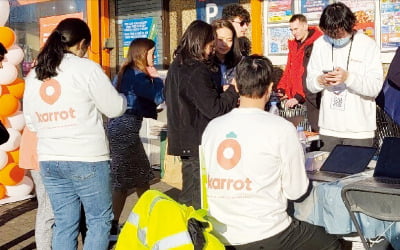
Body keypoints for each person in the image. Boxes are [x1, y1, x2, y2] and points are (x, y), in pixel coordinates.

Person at [201, 55, 343, 250]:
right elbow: (296, 191)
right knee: (332, 243)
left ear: (236, 84)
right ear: (270, 89)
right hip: (266, 232)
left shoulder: (213, 127)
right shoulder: (281, 128)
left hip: (219, 233)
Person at [23, 18, 126, 250]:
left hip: (50, 159)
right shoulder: (86, 68)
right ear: (81, 44)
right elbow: (113, 107)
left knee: (64, 223)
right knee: (98, 221)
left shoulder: (36, 73)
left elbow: (31, 122)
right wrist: (124, 100)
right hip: (86, 157)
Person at [165, 20, 239, 209]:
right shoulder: (196, 69)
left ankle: (186, 233)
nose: (212, 50)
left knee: (188, 194)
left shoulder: (177, 65)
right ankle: (194, 235)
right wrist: (233, 90)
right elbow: (214, 109)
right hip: (196, 140)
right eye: (211, 45)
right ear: (200, 42)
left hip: (184, 138)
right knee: (197, 200)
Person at [107, 38, 164, 240]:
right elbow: (158, 97)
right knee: (135, 178)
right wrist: (157, 78)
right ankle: (142, 221)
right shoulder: (138, 75)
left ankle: (117, 224)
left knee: (133, 179)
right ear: (142, 53)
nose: (154, 56)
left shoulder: (124, 72)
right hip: (127, 128)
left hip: (118, 126)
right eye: (152, 52)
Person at [306, 2, 383, 152]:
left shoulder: (368, 45)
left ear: (350, 26)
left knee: (356, 175)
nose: (335, 37)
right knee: (325, 173)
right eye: (330, 34)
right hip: (329, 128)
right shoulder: (320, 44)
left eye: (339, 33)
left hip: (359, 131)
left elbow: (375, 87)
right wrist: (319, 80)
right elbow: (310, 83)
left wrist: (348, 78)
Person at [277, 14, 323, 132]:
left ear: (305, 26)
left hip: (310, 99)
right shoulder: (294, 45)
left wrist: (299, 96)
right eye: (291, 30)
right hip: (295, 102)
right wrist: (282, 88)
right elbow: (289, 70)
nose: (294, 33)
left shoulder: (316, 45)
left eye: (296, 29)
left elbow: (309, 75)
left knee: (314, 133)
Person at [211, 19, 242, 87]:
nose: (225, 44)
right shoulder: (206, 64)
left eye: (229, 40)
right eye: (220, 39)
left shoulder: (241, 63)